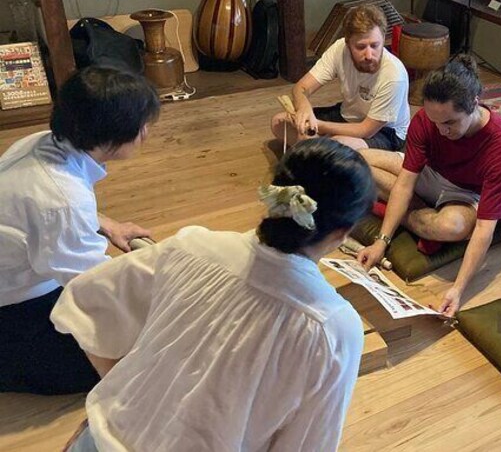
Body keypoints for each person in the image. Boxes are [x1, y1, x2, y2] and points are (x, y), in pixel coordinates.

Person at [53, 138, 375, 451]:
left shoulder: (192, 245)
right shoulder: (332, 328)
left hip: (97, 440)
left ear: (273, 196)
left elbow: (83, 301)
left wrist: (121, 400)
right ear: (340, 233)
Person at [0, 67, 159, 395]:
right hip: (13, 313)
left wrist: (106, 224)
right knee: (144, 345)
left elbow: (48, 211)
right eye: (143, 126)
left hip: (20, 282)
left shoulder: (39, 145)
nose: (147, 132)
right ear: (113, 135)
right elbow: (94, 290)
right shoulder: (62, 198)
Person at [357, 55, 501, 317]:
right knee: (357, 161)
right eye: (435, 122)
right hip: (429, 173)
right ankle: (416, 214)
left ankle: (410, 214)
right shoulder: (426, 119)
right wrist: (381, 242)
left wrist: (457, 289)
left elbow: (484, 228)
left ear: (473, 105)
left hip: (465, 193)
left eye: (450, 122)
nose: (442, 130)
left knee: (448, 227)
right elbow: (405, 183)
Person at [271, 5, 410, 151]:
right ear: (348, 43)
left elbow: (366, 130)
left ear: (383, 39)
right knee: (278, 122)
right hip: (348, 116)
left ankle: (319, 150)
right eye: (361, 47)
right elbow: (301, 87)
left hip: (384, 132)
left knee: (334, 147)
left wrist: (316, 125)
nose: (369, 55)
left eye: (375, 45)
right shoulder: (339, 49)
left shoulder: (394, 75)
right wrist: (304, 108)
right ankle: (320, 151)